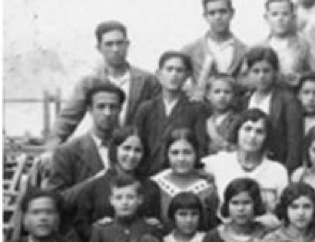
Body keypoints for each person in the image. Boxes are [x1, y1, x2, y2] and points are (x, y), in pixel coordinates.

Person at [46, 21, 160, 149]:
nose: (115, 49)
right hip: (103, 149)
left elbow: (159, 120)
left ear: (127, 45)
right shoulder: (89, 83)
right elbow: (67, 119)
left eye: (119, 43)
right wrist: (51, 149)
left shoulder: (147, 81)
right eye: (109, 44)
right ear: (99, 48)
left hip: (136, 152)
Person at [73, 126, 162, 242]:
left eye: (137, 150)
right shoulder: (94, 188)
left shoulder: (151, 188)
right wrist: (99, 233)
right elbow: (81, 225)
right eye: (126, 148)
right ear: (115, 150)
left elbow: (155, 223)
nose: (131, 155)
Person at [45, 82, 125, 208]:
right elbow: (55, 200)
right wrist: (92, 183)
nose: (107, 113)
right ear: (89, 109)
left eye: (113, 107)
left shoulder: (128, 149)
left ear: (120, 109)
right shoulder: (67, 152)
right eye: (101, 107)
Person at [133, 51, 209, 176]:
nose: (174, 75)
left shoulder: (196, 109)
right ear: (159, 74)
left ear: (187, 75)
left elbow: (200, 146)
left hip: (182, 173)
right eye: (169, 69)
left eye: (179, 70)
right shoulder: (146, 108)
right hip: (148, 174)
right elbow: (138, 143)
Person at [202, 108, 289, 212]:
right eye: (248, 129)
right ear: (237, 131)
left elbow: (284, 210)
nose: (252, 136)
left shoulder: (277, 171)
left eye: (259, 132)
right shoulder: (218, 163)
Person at [239, 46, 304, 172]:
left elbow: (294, 141)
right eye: (256, 71)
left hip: (277, 163)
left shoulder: (288, 101)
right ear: (249, 73)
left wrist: (289, 171)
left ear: (275, 72)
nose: (261, 76)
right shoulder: (245, 101)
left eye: (266, 71)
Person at [182, 0, 250, 101]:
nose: (218, 17)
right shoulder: (191, 50)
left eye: (223, 12)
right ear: (205, 16)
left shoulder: (245, 51)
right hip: (201, 111)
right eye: (212, 13)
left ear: (232, 13)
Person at [151, 127, 219, 231]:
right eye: (175, 153)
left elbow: (212, 224)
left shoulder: (207, 187)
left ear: (196, 153)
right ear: (166, 154)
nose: (181, 158)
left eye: (187, 152)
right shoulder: (156, 184)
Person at [259, 0, 311, 89]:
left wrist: (300, 78)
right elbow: (245, 78)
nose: (280, 19)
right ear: (266, 18)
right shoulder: (259, 48)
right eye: (274, 14)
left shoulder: (303, 46)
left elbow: (313, 74)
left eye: (285, 14)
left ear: (293, 17)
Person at [203, 74, 241, 154]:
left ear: (233, 95)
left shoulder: (238, 120)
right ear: (208, 95)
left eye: (227, 92)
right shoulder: (204, 118)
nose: (222, 96)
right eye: (217, 92)